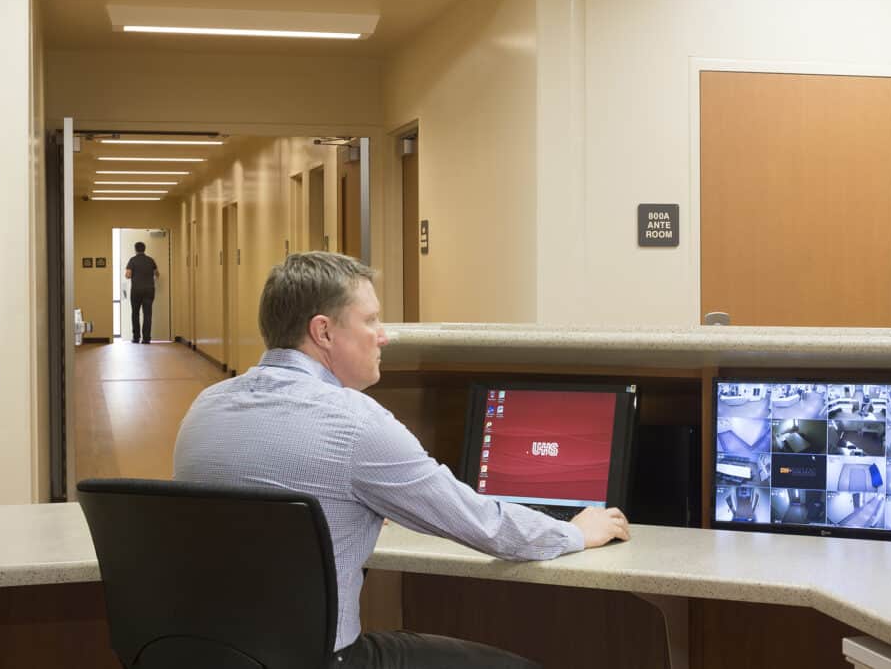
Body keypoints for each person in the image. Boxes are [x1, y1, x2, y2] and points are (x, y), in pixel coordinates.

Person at [173, 252, 630, 668]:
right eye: (370, 320)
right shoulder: (355, 422)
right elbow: (482, 524)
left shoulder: (205, 406)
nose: (384, 336)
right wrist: (573, 531)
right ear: (323, 331)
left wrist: (358, 509)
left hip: (206, 652)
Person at [124, 241, 159, 343]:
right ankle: (146, 339)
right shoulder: (150, 260)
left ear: (135, 249)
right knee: (147, 314)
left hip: (136, 291)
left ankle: (136, 337)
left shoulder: (133, 260)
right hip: (149, 290)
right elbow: (157, 274)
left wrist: (131, 274)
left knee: (135, 313)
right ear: (144, 249)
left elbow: (128, 275)